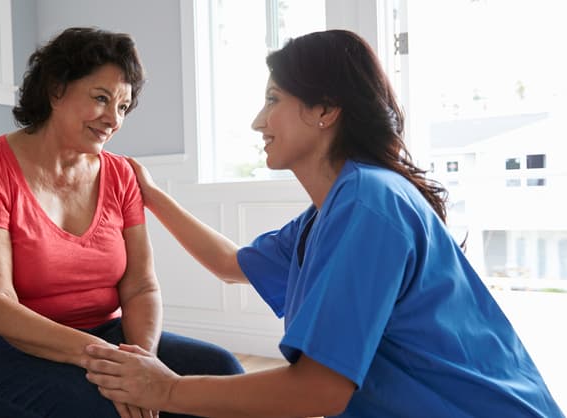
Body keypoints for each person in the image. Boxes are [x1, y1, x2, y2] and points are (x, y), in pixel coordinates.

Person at [83, 29, 565, 418]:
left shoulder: (368, 203)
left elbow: (317, 391)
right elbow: (229, 264)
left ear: (326, 110)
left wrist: (167, 391)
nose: (258, 121)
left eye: (273, 99)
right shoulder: (335, 208)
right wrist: (152, 194)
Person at [0, 27, 243, 418]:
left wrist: (141, 363)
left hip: (102, 335)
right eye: (101, 99)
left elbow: (141, 285)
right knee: (102, 408)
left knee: (224, 373)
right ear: (56, 89)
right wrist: (109, 363)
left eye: (123, 107)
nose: (113, 119)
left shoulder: (121, 174)